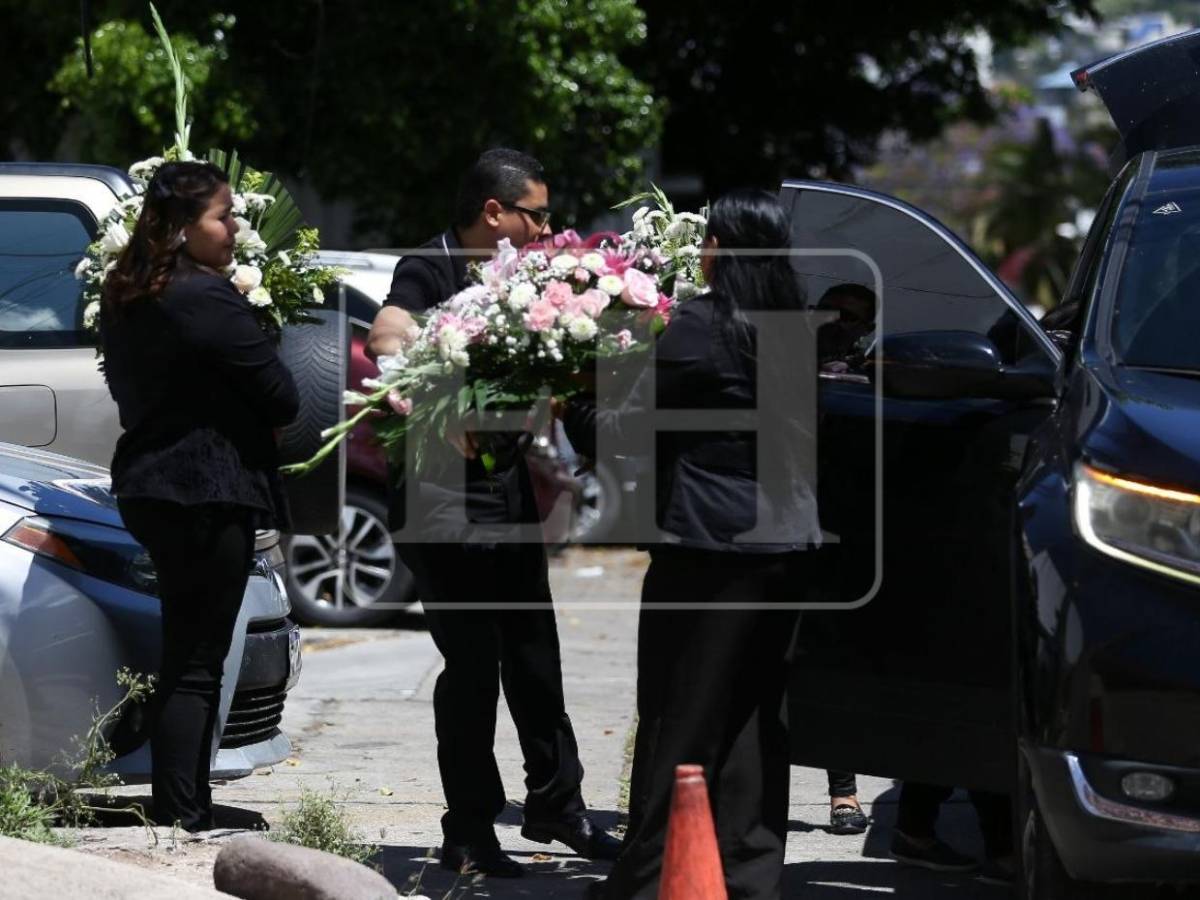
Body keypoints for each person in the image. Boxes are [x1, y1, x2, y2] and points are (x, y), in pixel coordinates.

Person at [559, 189, 821, 900]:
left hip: (710, 547)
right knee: (754, 717)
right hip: (786, 548)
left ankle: (648, 883)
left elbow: (618, 428)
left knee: (682, 712)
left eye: (708, 239)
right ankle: (747, 875)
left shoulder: (699, 329)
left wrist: (565, 399)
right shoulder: (792, 328)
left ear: (724, 250)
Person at [366, 148, 620, 877]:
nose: (548, 228)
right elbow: (387, 330)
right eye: (537, 213)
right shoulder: (431, 265)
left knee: (536, 654)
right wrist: (418, 378)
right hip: (439, 496)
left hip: (503, 489)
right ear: (494, 212)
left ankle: (557, 807)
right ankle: (469, 828)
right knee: (474, 666)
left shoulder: (525, 276)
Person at [100, 161, 299, 831]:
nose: (236, 227)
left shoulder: (126, 290)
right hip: (204, 490)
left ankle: (188, 801)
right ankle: (185, 812)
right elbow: (282, 395)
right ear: (185, 229)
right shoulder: (205, 298)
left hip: (151, 484)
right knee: (196, 660)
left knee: (186, 651)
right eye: (223, 216)